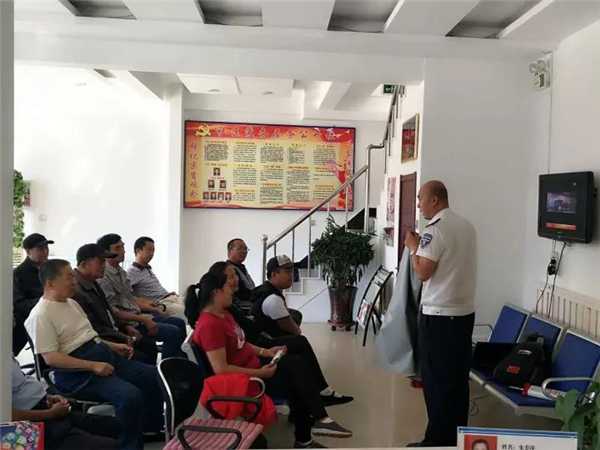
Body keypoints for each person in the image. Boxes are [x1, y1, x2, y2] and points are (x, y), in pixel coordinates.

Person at [187, 264, 353, 449]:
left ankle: (312, 428)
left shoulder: (223, 315)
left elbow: (241, 343)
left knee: (296, 366)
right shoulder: (210, 325)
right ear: (216, 292)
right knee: (296, 371)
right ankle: (315, 425)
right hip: (244, 381)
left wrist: (267, 352)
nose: (233, 290)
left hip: (253, 366)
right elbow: (221, 369)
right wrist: (261, 373)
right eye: (229, 286)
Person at [24, 259, 164, 450]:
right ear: (50, 283)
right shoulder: (40, 315)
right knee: (130, 396)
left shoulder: (72, 303)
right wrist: (93, 366)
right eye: (69, 277)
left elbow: (90, 337)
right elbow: (51, 358)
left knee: (154, 376)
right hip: (77, 374)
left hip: (103, 356)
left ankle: (148, 429)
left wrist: (113, 346)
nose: (74, 281)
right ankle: (128, 445)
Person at [404, 180, 477, 447]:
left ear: (435, 200)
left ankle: (436, 441)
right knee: (457, 381)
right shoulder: (466, 226)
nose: (419, 204)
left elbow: (423, 272)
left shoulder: (435, 230)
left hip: (439, 316)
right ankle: (456, 438)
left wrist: (413, 247)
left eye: (420, 198)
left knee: (436, 382)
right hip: (464, 313)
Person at [96, 233, 186, 358]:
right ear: (105, 253)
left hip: (138, 316)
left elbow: (131, 298)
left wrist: (152, 308)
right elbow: (112, 311)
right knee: (173, 332)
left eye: (123, 247)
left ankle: (180, 363)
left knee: (179, 323)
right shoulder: (104, 276)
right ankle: (170, 367)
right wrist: (143, 319)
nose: (123, 251)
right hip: (130, 323)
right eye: (118, 248)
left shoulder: (121, 272)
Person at [73, 243, 158, 365]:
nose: (104, 265)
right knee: (144, 361)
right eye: (100, 262)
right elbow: (94, 329)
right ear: (84, 264)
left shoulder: (92, 282)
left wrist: (125, 327)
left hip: (117, 332)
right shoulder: (76, 291)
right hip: (103, 344)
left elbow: (109, 312)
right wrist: (122, 337)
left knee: (149, 346)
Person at [11, 357, 120, 450]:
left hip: (45, 407)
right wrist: (51, 413)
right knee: (109, 446)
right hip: (26, 427)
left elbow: (20, 383)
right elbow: (8, 415)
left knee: (115, 426)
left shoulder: (5, 351)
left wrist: (47, 397)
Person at [12, 233, 53, 355]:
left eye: (46, 248)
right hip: (30, 322)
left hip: (52, 318)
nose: (45, 252)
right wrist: (46, 300)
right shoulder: (18, 274)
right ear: (28, 251)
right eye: (40, 248)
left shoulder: (51, 269)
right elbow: (19, 304)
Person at [126, 236, 185, 319]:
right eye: (149, 250)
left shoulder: (147, 268)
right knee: (186, 311)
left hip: (170, 297)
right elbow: (126, 295)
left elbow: (154, 289)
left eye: (153, 250)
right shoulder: (132, 272)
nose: (152, 253)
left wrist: (167, 294)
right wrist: (146, 303)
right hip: (161, 303)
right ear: (138, 251)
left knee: (195, 304)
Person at [251, 255, 303, 338]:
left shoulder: (265, 289)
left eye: (292, 271)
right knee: (301, 340)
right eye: (287, 272)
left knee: (296, 315)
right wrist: (298, 332)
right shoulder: (273, 299)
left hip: (266, 335)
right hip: (267, 342)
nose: (291, 275)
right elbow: (295, 330)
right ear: (274, 274)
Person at [226, 238, 255, 305]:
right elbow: (240, 293)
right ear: (230, 251)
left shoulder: (242, 268)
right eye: (240, 248)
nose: (244, 251)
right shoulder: (227, 269)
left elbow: (250, 287)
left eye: (245, 249)